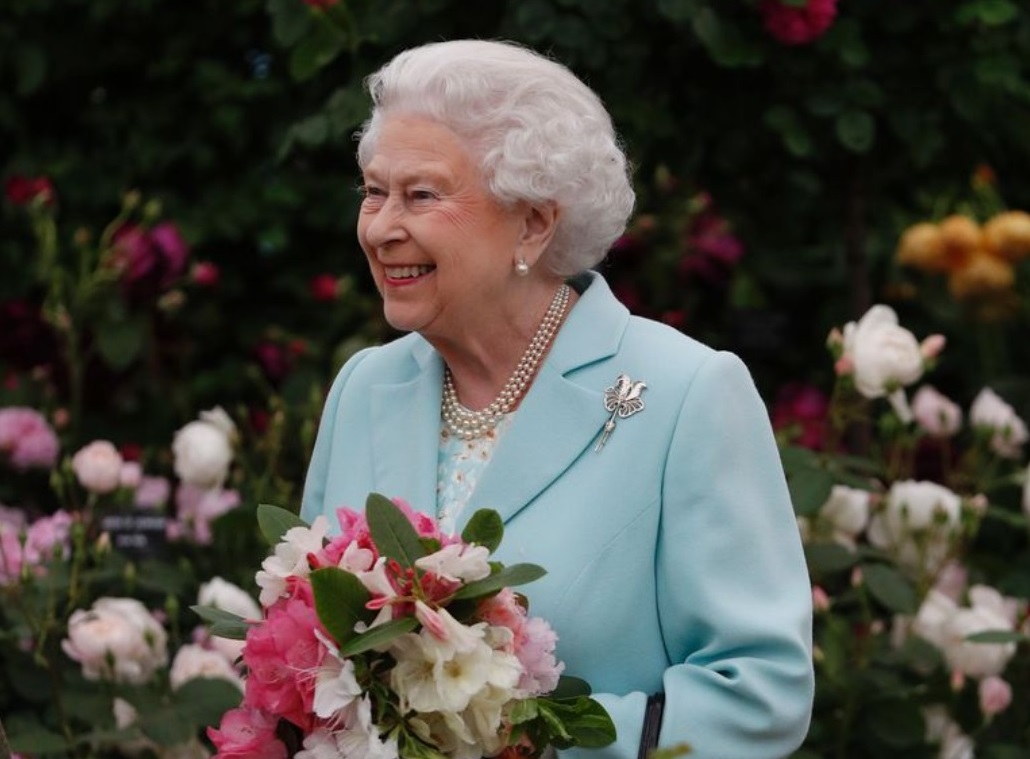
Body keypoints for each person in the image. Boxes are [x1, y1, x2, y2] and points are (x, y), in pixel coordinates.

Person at [301, 38, 814, 759]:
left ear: (534, 224)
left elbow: (762, 689)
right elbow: (308, 645)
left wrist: (531, 743)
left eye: (420, 194)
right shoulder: (364, 387)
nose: (381, 227)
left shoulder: (682, 392)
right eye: (373, 191)